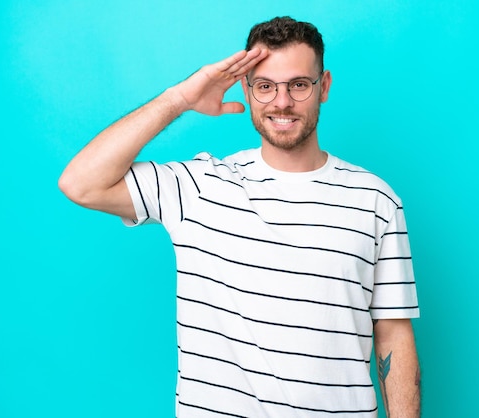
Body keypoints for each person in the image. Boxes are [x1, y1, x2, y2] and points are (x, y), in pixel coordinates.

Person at [59, 16, 420, 418]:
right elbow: (81, 183)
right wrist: (180, 98)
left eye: (299, 85)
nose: (282, 102)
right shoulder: (198, 186)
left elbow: (393, 334)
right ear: (246, 90)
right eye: (265, 86)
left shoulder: (375, 200)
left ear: (324, 87)